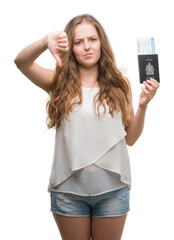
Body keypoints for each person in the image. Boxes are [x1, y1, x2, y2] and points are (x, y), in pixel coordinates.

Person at [14, 14, 160, 240]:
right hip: (68, 194)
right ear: (70, 48)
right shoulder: (58, 83)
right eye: (78, 42)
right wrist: (45, 41)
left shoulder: (121, 84)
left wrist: (143, 107)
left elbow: (130, 139)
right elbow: (21, 62)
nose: (87, 47)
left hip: (113, 192)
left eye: (92, 39)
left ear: (101, 42)